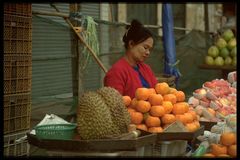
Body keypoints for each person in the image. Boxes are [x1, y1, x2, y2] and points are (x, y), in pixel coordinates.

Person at [104, 19, 158, 99]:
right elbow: (114, 106)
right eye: (145, 47)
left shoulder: (146, 69)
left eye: (149, 49)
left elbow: (157, 93)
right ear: (131, 44)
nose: (148, 52)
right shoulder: (116, 72)